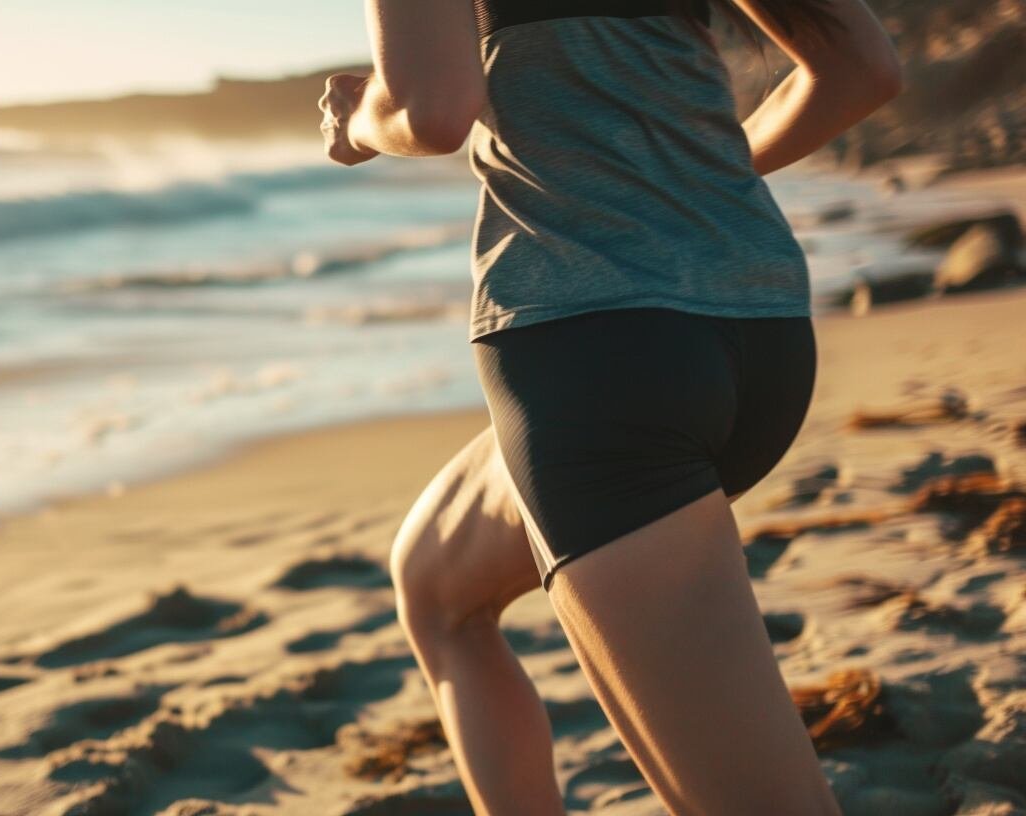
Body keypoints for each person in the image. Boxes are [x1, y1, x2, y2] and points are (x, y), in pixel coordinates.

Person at [318, 1, 902, 814]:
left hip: (600, 364)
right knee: (435, 586)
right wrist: (698, 174)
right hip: (761, 333)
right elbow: (861, 68)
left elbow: (432, 109)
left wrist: (359, 118)